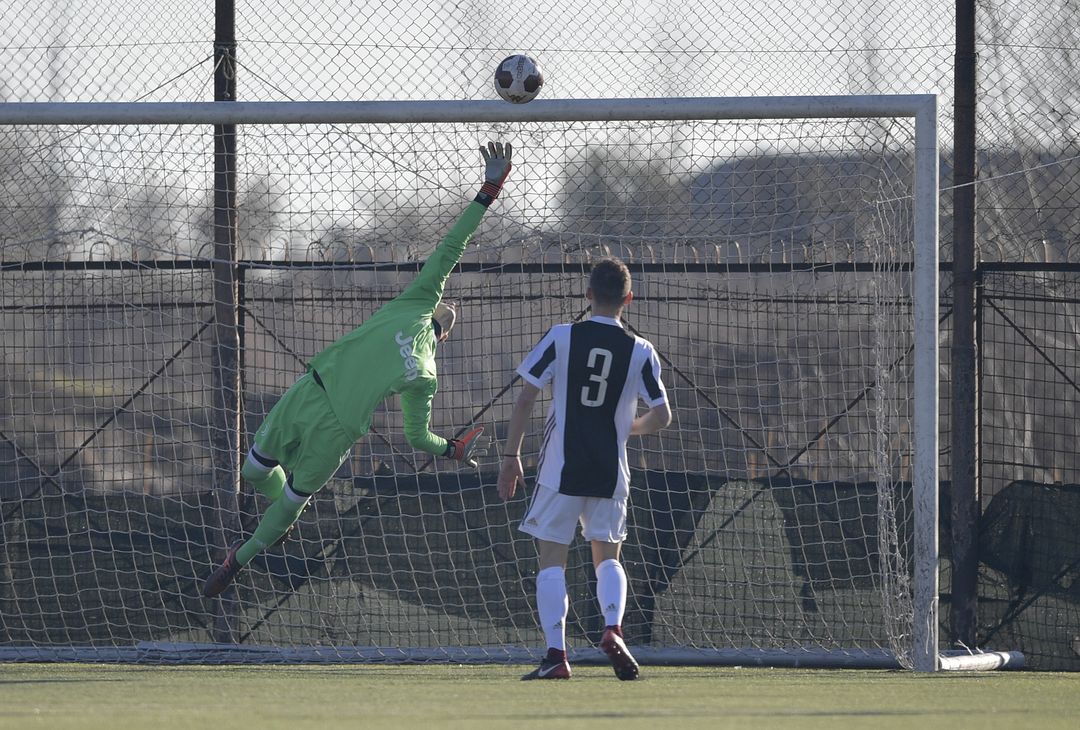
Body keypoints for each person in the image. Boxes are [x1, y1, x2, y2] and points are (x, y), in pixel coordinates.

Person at [203, 141, 513, 598]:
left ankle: (238, 559)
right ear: (442, 332)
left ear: (438, 328)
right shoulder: (422, 324)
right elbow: (418, 438)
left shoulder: (423, 356)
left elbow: (453, 246)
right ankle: (278, 519)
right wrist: (451, 450)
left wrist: (488, 190)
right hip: (311, 392)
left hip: (332, 417)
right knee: (256, 473)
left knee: (282, 493)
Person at [497, 257, 672, 681]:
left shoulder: (561, 338)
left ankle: (556, 656)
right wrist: (629, 428)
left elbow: (524, 400)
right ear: (628, 300)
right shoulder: (640, 350)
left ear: (588, 294)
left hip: (560, 469)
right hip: (610, 470)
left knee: (552, 561)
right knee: (608, 557)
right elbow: (663, 414)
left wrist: (511, 456)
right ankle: (613, 627)